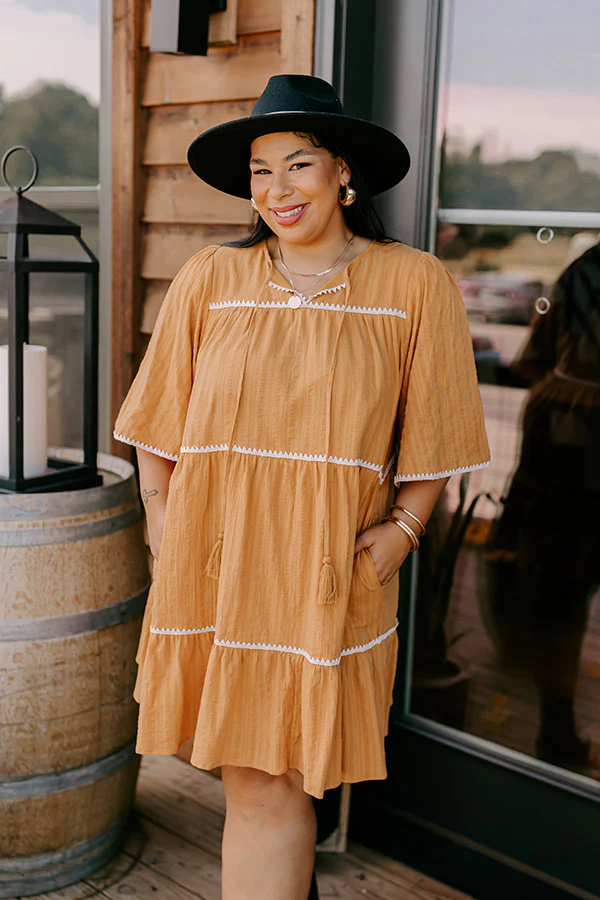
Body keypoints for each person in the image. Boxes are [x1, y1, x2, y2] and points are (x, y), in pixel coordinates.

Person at [114, 75, 490, 900]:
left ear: (343, 173)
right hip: (216, 562)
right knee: (257, 779)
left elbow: (436, 435)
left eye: (298, 165)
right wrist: (162, 522)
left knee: (285, 773)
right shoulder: (211, 278)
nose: (276, 190)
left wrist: (404, 530)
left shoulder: (414, 284)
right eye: (260, 171)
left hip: (326, 567)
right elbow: (156, 424)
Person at [487, 237, 600, 767]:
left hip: (562, 439)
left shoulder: (587, 269)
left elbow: (535, 359)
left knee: (561, 593)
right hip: (567, 445)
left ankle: (556, 724)